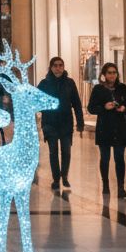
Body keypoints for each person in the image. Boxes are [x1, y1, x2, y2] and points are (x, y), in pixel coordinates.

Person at [38, 56, 84, 191]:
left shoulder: (70, 83)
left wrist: (80, 122)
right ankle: (56, 179)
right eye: (55, 65)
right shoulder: (44, 83)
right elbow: (37, 101)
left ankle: (64, 176)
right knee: (53, 152)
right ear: (51, 67)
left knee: (66, 151)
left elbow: (76, 103)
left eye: (60, 65)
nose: (58, 68)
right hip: (50, 123)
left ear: (63, 67)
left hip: (66, 123)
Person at [87, 62, 126, 198]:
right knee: (105, 158)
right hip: (104, 127)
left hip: (120, 127)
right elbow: (91, 108)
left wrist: (124, 108)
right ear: (104, 75)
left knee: (119, 158)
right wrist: (104, 107)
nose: (112, 75)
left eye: (114, 72)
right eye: (109, 73)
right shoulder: (98, 89)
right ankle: (105, 184)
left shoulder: (122, 88)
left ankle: (121, 187)